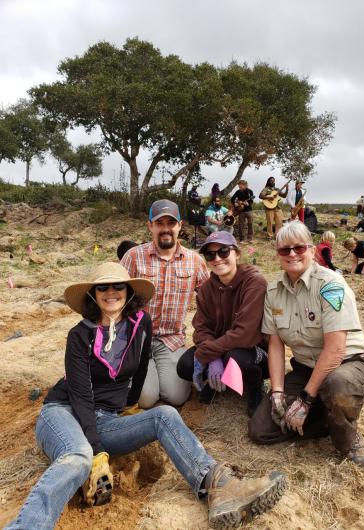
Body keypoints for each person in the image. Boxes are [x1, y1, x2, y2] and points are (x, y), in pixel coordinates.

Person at [5, 262, 286, 530]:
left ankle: (219, 485)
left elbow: (138, 371)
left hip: (105, 418)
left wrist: (130, 406)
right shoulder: (79, 336)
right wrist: (95, 451)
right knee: (78, 458)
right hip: (64, 412)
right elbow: (80, 395)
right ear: (93, 295)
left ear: (129, 292)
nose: (111, 293)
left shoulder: (141, 324)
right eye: (103, 288)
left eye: (118, 286)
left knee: (164, 414)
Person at [249, 222, 364, 467]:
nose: (292, 254)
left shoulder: (330, 285)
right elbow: (275, 345)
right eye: (284, 250)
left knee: (337, 384)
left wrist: (305, 399)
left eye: (299, 248)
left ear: (312, 250)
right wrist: (278, 393)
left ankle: (347, 437)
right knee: (261, 430)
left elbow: (335, 350)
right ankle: (327, 415)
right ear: (277, 254)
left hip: (349, 365)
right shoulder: (273, 292)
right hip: (306, 368)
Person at [120, 199, 209, 408]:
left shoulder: (195, 261)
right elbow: (113, 296)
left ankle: (158, 375)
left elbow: (211, 301)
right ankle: (138, 373)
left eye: (171, 223)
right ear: (150, 225)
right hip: (136, 339)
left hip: (171, 340)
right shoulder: (133, 257)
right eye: (160, 223)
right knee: (146, 399)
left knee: (177, 396)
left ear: (180, 225)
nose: (166, 229)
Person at [177, 231, 269, 417]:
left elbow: (245, 334)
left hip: (252, 349)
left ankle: (255, 385)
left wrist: (208, 353)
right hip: (220, 347)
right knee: (185, 366)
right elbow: (201, 328)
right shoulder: (205, 289)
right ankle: (217, 382)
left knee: (235, 359)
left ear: (237, 253)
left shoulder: (254, 282)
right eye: (210, 254)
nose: (217, 258)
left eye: (224, 251)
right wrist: (213, 358)